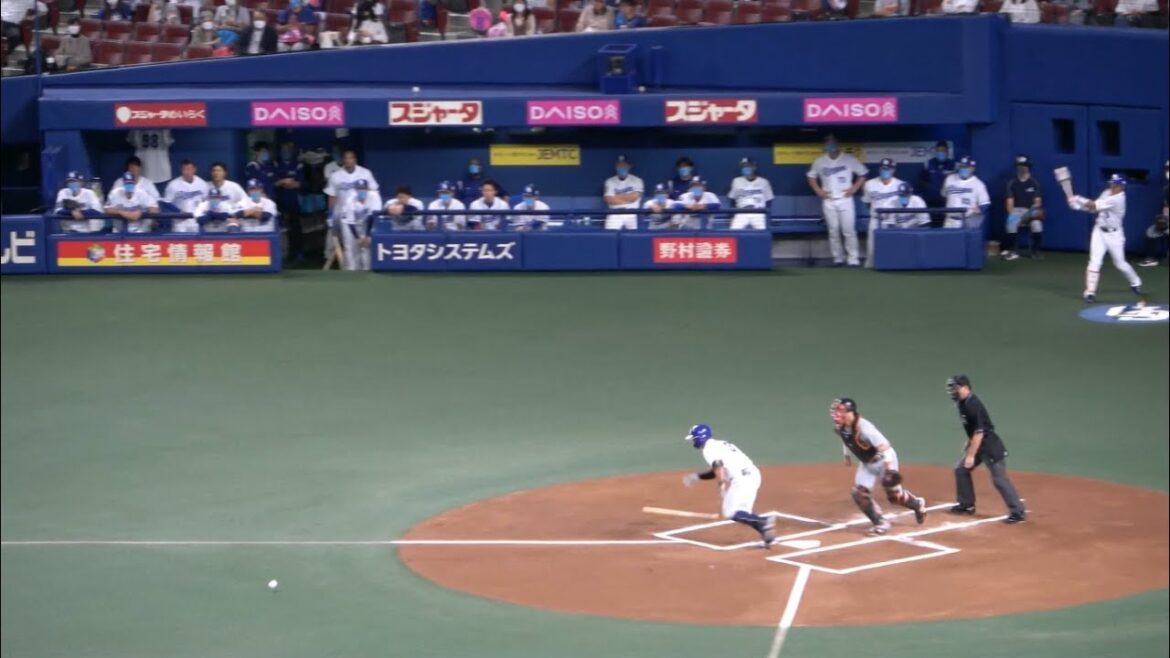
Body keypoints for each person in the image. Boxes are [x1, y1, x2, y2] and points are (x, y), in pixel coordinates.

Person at [830, 398, 927, 536]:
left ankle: (917, 504)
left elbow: (884, 447)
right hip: (867, 463)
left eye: (842, 411)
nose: (838, 414)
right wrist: (846, 455)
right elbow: (846, 438)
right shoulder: (841, 427)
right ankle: (880, 522)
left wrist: (889, 469)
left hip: (883, 460)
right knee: (859, 494)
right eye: (837, 411)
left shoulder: (865, 428)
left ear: (851, 413)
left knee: (895, 497)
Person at [945, 375, 1026, 524]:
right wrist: (969, 441)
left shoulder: (972, 404)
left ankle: (1018, 512)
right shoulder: (962, 403)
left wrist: (971, 455)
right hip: (978, 444)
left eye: (956, 388)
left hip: (990, 447)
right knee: (961, 470)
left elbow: (980, 432)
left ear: (965, 388)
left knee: (999, 479)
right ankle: (966, 505)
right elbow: (974, 429)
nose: (953, 391)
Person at [681, 424, 776, 548]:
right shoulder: (720, 444)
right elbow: (716, 470)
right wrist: (698, 476)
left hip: (742, 480)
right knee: (743, 512)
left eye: (694, 438)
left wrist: (721, 485)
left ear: (700, 437)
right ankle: (767, 535)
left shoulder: (708, 449)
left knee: (731, 512)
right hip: (752, 476)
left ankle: (763, 521)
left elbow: (718, 466)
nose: (693, 441)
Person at [1067, 174, 1145, 305]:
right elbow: (1093, 209)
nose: (1112, 186)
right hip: (1099, 231)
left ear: (1122, 187)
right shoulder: (1106, 193)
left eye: (1116, 185)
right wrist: (1077, 207)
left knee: (1120, 263)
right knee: (1095, 261)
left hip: (1114, 235)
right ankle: (1090, 292)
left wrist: (1078, 199)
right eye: (1112, 183)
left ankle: (1136, 281)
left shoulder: (1119, 199)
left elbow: (1094, 205)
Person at [807, 135, 867, 266]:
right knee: (833, 231)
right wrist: (818, 191)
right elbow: (811, 177)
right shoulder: (820, 161)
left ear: (838, 144)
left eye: (833, 142)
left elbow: (863, 173)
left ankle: (853, 258)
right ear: (825, 145)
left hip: (846, 199)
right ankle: (838, 258)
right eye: (828, 143)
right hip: (828, 200)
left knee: (848, 230)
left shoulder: (849, 159)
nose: (830, 145)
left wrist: (854, 188)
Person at [325, 149, 379, 261]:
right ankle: (350, 267)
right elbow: (332, 196)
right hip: (343, 214)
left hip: (363, 214)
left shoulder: (365, 173)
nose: (348, 160)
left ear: (355, 159)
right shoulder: (335, 176)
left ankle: (366, 266)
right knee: (348, 244)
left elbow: (373, 191)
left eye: (351, 158)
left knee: (365, 243)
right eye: (346, 158)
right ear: (343, 160)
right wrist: (331, 214)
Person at [860, 158, 903, 266]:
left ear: (893, 170)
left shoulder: (901, 184)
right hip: (876, 220)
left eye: (888, 169)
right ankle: (870, 267)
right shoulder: (869, 184)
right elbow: (867, 202)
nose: (885, 171)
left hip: (893, 220)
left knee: (894, 247)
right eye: (883, 168)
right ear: (879, 169)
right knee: (872, 248)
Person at [1003, 155, 1044, 261]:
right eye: (1019, 166)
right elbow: (1009, 204)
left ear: (1028, 167)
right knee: (1011, 222)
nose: (1021, 168)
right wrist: (1013, 216)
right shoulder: (1011, 183)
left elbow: (1038, 203)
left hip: (1031, 211)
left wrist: (1030, 214)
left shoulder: (1034, 183)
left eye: (1024, 166)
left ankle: (1035, 251)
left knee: (1037, 225)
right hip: (1016, 210)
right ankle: (1013, 251)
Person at [337, 178, 381, 270]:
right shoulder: (350, 200)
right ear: (355, 190)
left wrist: (368, 236)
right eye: (359, 189)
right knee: (351, 247)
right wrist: (357, 238)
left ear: (367, 189)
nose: (361, 191)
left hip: (366, 222)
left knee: (367, 246)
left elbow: (372, 217)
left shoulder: (374, 196)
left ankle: (367, 269)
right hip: (348, 224)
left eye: (363, 189)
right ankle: (352, 270)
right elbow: (350, 221)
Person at [273, 142, 305, 260]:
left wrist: (285, 183)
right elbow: (275, 183)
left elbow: (299, 184)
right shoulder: (276, 165)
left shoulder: (298, 165)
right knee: (280, 227)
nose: (286, 152)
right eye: (283, 150)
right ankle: (282, 253)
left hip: (294, 202)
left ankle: (298, 252)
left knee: (296, 227)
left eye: (288, 150)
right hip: (280, 201)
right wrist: (283, 182)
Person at [942, 156, 989, 229]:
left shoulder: (978, 184)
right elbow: (944, 195)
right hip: (949, 220)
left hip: (967, 220)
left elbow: (985, 204)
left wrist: (978, 210)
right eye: (962, 166)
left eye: (967, 167)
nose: (964, 169)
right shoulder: (949, 179)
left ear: (973, 168)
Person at [727, 157, 774, 231]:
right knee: (733, 232)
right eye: (743, 166)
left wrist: (767, 216)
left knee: (764, 232)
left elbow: (769, 200)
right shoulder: (736, 181)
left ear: (754, 167)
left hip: (759, 212)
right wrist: (732, 216)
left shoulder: (764, 182)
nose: (745, 168)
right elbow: (732, 199)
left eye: (747, 166)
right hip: (741, 212)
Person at [162, 159, 209, 232]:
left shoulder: (202, 184)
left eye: (189, 169)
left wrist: (200, 213)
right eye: (185, 169)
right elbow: (166, 203)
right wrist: (179, 212)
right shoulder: (173, 184)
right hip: (179, 221)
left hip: (196, 221)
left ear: (194, 169)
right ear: (181, 170)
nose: (187, 172)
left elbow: (206, 201)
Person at [1138, 160, 1168, 268]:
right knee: (1150, 232)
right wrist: (1165, 220)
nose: (1168, 171)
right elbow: (1166, 207)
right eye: (1167, 169)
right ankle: (1151, 258)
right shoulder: (1166, 189)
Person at [603, 154, 644, 230]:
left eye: (624, 165)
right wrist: (627, 198)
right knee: (609, 234)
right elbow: (608, 199)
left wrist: (616, 198)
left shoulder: (637, 180)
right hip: (615, 213)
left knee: (635, 235)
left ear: (629, 166)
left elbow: (634, 197)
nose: (621, 167)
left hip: (632, 213)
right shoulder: (610, 181)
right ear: (616, 167)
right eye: (619, 165)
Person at [919, 141, 954, 226]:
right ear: (935, 151)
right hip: (931, 202)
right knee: (931, 226)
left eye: (943, 151)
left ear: (947, 152)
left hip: (946, 202)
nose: (940, 153)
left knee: (945, 226)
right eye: (938, 150)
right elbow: (922, 180)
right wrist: (929, 190)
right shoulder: (929, 163)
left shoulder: (953, 165)